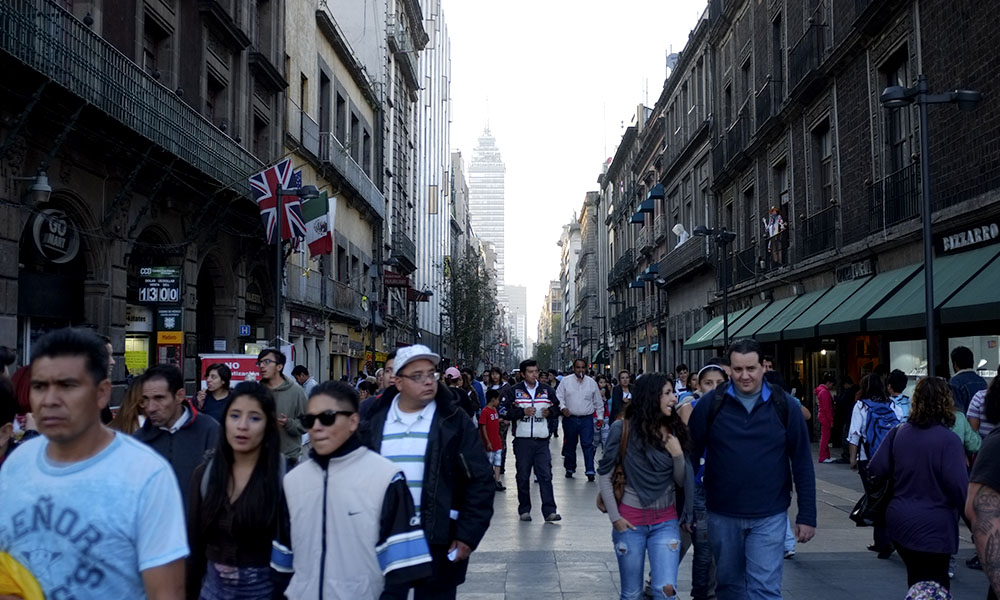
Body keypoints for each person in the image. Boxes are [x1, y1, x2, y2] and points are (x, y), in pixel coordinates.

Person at [0, 328, 187, 598]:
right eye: (39, 387)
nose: (49, 400)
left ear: (102, 393)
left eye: (67, 386)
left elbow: (166, 592)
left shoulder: (146, 475)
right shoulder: (17, 464)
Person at [274, 380, 433, 599]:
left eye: (327, 418)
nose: (317, 427)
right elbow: (280, 568)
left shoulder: (386, 478)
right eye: (310, 420)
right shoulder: (293, 482)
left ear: (353, 421)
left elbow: (401, 571)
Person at [359, 345, 495, 598]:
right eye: (417, 376)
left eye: (431, 374)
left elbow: (480, 481)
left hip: (437, 539)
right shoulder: (371, 417)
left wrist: (466, 536)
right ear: (397, 382)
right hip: (381, 540)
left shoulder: (453, 419)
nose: (428, 381)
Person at [688, 339, 816, 600]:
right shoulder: (710, 406)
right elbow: (690, 459)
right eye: (737, 370)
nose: (744, 376)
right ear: (729, 369)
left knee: (765, 590)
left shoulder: (786, 406)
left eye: (751, 368)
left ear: (763, 367)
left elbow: (802, 461)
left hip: (769, 514)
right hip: (722, 514)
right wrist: (687, 508)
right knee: (729, 588)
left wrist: (807, 515)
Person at [599, 373, 694, 600]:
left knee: (665, 591)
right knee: (631, 594)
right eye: (668, 393)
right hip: (629, 523)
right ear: (652, 397)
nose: (674, 398)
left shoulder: (674, 430)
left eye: (673, 392)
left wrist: (678, 455)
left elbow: (681, 481)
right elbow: (605, 475)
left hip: (666, 521)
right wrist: (616, 519)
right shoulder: (622, 429)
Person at [187, 381, 286, 599]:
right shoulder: (205, 475)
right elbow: (194, 550)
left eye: (254, 418)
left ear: (268, 424)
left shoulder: (285, 477)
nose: (242, 426)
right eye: (234, 416)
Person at [870, 376, 968, 591]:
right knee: (937, 584)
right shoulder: (948, 441)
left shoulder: (898, 433)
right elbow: (959, 488)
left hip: (900, 520)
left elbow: (876, 468)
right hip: (935, 525)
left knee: (916, 579)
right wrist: (974, 522)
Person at [134, 364, 220, 509]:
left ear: (179, 395)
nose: (150, 408)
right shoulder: (138, 442)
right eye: (145, 400)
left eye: (159, 398)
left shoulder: (210, 431)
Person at [678, 365, 727, 600]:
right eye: (708, 383)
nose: (714, 388)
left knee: (726, 551)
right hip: (700, 487)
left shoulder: (736, 411)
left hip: (729, 489)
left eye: (720, 383)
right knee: (704, 551)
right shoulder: (691, 409)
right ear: (698, 385)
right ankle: (701, 594)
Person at [502, 358, 562, 522]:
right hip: (522, 441)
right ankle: (524, 509)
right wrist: (521, 412)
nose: (534, 375)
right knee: (523, 475)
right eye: (530, 372)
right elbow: (503, 411)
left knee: (545, 475)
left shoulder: (546, 390)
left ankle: (550, 511)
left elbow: (558, 408)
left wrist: (550, 412)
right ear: (522, 374)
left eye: (536, 371)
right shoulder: (514, 391)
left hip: (542, 440)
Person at [848, 374, 899, 557]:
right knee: (888, 495)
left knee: (876, 497)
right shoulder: (892, 405)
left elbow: (854, 434)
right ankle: (885, 540)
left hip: (868, 458)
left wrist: (853, 459)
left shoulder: (861, 405)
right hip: (891, 458)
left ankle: (883, 542)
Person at [257, 348, 308, 464]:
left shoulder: (296, 392)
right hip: (260, 456)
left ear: (279, 367)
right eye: (259, 362)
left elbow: (306, 423)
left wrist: (288, 423)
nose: (262, 366)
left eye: (267, 362)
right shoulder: (257, 391)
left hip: (288, 456)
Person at [559, 358, 604, 481]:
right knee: (570, 444)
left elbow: (598, 402)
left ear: (586, 368)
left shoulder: (591, 383)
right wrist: (563, 408)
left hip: (586, 419)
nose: (580, 370)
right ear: (574, 368)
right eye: (578, 367)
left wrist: (600, 417)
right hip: (570, 418)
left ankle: (590, 470)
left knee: (587, 444)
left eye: (583, 367)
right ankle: (570, 468)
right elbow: (559, 397)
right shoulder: (565, 381)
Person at [487, 366, 512, 473]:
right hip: (491, 419)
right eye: (492, 374)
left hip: (502, 419)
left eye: (496, 374)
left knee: (501, 442)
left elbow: (510, 403)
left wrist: (506, 418)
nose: (494, 376)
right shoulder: (489, 387)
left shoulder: (506, 387)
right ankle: (492, 465)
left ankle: (500, 465)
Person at [479, 389, 505, 491]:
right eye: (497, 399)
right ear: (493, 399)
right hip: (490, 442)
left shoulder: (494, 410)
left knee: (498, 461)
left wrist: (500, 420)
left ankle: (497, 480)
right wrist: (487, 441)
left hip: (497, 440)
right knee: (489, 462)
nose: (498, 401)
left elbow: (493, 422)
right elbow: (483, 427)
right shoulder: (485, 411)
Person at [950, 346, 987, 414]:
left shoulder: (954, 382)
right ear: (972, 362)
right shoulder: (982, 381)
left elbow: (957, 412)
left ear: (955, 364)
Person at [816, 372, 837, 463]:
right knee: (825, 437)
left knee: (825, 437)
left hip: (823, 416)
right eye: (832, 384)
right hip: (825, 417)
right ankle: (823, 456)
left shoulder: (821, 391)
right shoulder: (824, 392)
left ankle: (826, 456)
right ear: (828, 382)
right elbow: (827, 408)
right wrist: (831, 420)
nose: (832, 386)